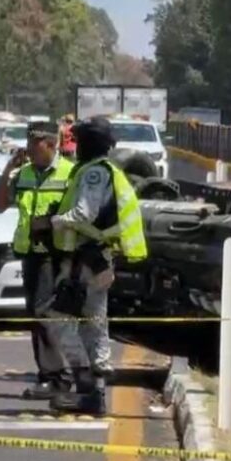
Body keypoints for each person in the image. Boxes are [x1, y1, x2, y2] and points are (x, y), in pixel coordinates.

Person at [41, 117, 148, 414]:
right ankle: (94, 396)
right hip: (98, 260)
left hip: (86, 261)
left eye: (80, 140)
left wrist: (54, 220)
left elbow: (83, 215)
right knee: (93, 326)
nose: (75, 147)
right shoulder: (106, 170)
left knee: (59, 319)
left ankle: (87, 385)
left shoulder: (94, 174)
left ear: (89, 143)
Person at [0, 121, 75, 399]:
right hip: (31, 254)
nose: (27, 149)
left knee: (46, 314)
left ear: (51, 144)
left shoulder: (69, 173)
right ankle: (54, 374)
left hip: (56, 254)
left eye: (33, 144)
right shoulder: (23, 174)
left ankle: (56, 377)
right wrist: (7, 169)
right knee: (39, 315)